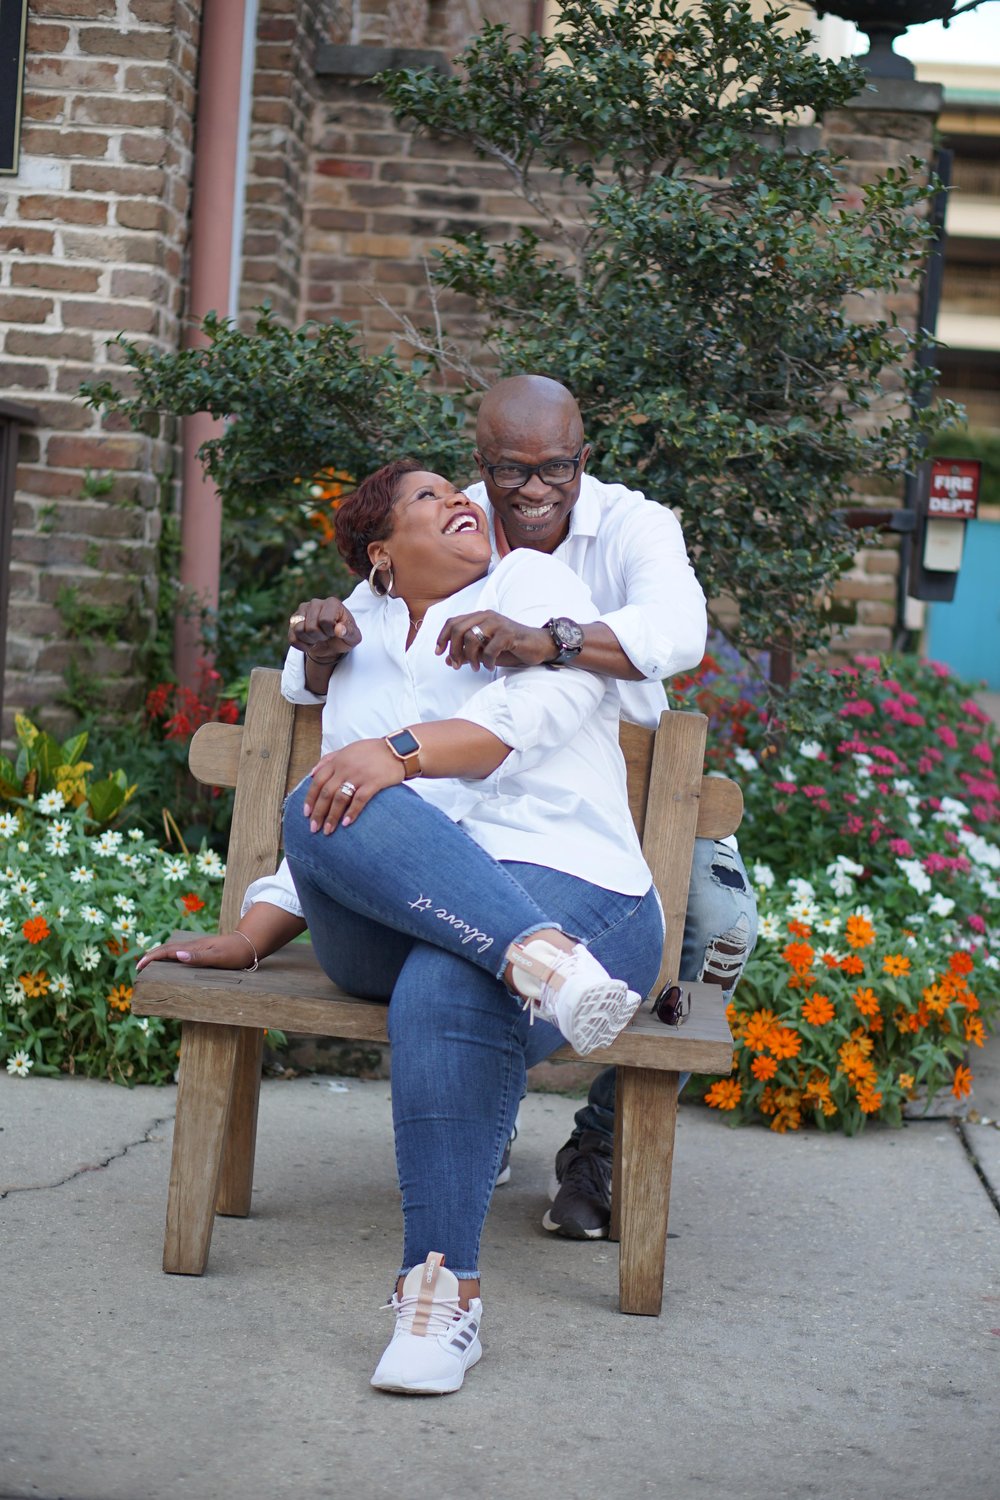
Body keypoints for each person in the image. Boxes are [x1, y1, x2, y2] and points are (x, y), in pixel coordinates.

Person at [138, 459, 665, 1395]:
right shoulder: (363, 634)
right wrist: (258, 931)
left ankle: (439, 1296)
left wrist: (398, 752)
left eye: (457, 492)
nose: (462, 500)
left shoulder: (533, 590)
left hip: (584, 893)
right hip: (427, 925)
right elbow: (348, 819)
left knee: (450, 975)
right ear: (382, 557)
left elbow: (520, 725)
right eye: (430, 498)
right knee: (321, 796)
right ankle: (537, 961)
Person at [301, 375, 759, 1241]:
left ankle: (602, 1143)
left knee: (723, 922)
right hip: (467, 815)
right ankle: (493, 1101)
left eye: (557, 468)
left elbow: (677, 633)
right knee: (456, 955)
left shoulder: (631, 525)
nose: (536, 489)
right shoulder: (452, 521)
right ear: (484, 465)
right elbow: (359, 647)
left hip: (614, 798)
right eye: (513, 472)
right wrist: (320, 658)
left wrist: (550, 642)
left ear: (583, 457)